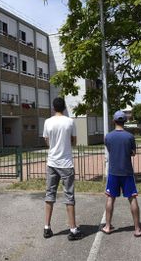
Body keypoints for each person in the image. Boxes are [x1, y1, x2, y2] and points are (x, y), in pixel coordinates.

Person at [42, 97, 83, 241]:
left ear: (53, 108)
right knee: (69, 196)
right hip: (66, 163)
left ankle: (47, 228)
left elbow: (47, 141)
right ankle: (73, 229)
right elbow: (74, 141)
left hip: (52, 162)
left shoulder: (47, 122)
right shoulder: (70, 122)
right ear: (65, 108)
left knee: (50, 194)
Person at [101, 111, 141, 237]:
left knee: (110, 198)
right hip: (127, 172)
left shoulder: (108, 136)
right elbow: (133, 153)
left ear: (114, 121)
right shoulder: (130, 137)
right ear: (125, 121)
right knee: (132, 198)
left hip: (113, 172)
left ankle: (107, 226)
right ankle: (137, 229)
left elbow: (110, 150)